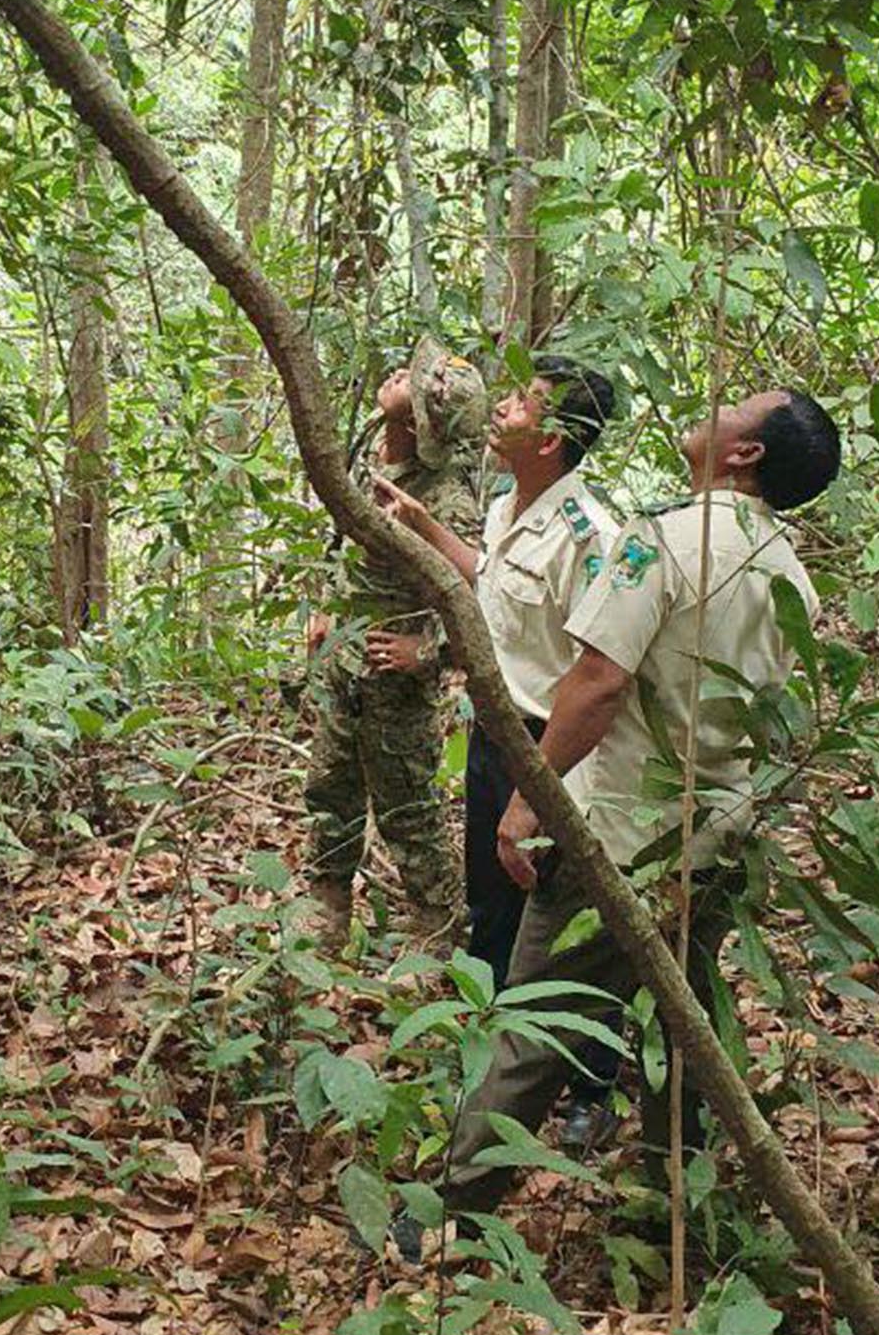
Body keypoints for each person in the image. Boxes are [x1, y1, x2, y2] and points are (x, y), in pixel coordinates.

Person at [418, 388, 842, 1241]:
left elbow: (599, 681)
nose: (715, 408)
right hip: (719, 835)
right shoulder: (790, 575)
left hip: (620, 832)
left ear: (745, 453)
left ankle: (452, 1218)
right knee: (680, 1029)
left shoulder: (664, 540)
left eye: (741, 405)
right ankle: (670, 1207)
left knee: (538, 1021)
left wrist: (529, 800)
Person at [378, 353, 621, 1148]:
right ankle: (485, 1064)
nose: (502, 409)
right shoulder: (508, 505)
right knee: (495, 911)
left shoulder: (595, 537)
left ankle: (588, 1087)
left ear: (552, 438)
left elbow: (598, 667)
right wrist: (421, 526)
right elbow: (492, 583)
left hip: (552, 752)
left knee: (568, 930)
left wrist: (541, 780)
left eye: (521, 403)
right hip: (491, 737)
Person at [304, 334, 486, 953]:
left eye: (411, 380)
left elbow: (474, 597)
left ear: (420, 421)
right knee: (330, 790)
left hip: (396, 685)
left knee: (410, 813)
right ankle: (325, 910)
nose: (395, 375)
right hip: (344, 668)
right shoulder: (372, 464)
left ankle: (434, 932)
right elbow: (348, 551)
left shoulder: (447, 500)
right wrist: (326, 610)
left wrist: (426, 654)